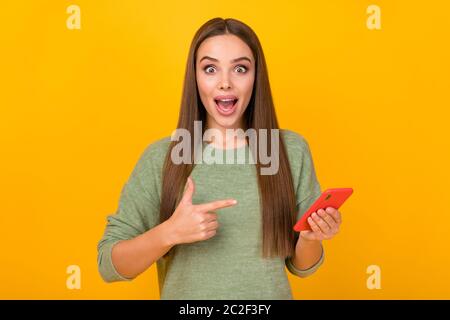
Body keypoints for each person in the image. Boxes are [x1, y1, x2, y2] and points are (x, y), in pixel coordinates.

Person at [97, 17, 342, 300]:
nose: (225, 83)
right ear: (195, 77)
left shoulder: (290, 151)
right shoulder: (161, 159)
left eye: (240, 68)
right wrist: (169, 233)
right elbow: (109, 265)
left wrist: (311, 238)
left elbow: (303, 267)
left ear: (256, 77)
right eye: (210, 69)